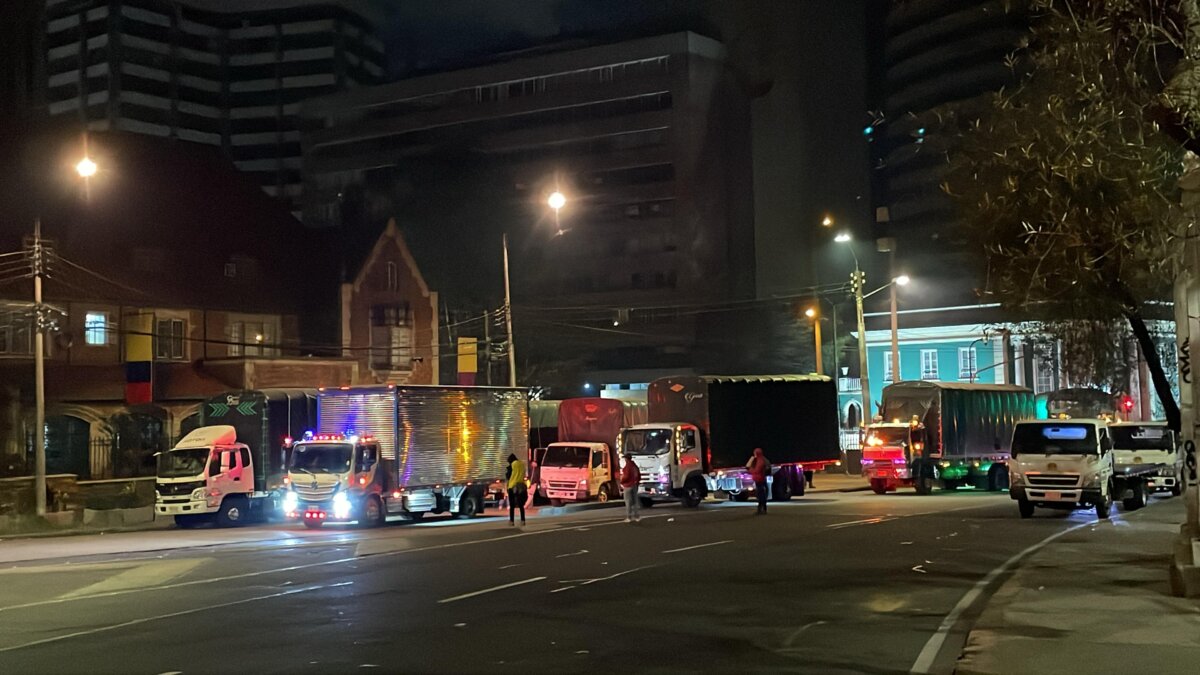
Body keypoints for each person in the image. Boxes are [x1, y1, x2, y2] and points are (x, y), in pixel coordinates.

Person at [506, 453, 527, 526]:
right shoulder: (522, 464)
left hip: (512, 486)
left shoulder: (512, 465)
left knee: (512, 505)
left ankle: (512, 521)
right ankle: (523, 520)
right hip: (521, 486)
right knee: (521, 505)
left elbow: (508, 476)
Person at [747, 447, 770, 515]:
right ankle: (763, 508)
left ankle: (761, 509)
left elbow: (757, 470)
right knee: (762, 493)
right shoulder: (763, 459)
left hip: (759, 479)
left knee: (760, 494)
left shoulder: (759, 461)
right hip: (762, 478)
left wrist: (750, 470)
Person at [620, 452, 641, 523]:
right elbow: (639, 475)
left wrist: (621, 481)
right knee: (635, 501)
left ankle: (629, 517)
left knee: (628, 501)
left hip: (628, 486)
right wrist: (637, 483)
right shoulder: (635, 466)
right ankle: (637, 517)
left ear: (626, 459)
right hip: (634, 485)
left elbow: (626, 476)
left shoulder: (627, 467)